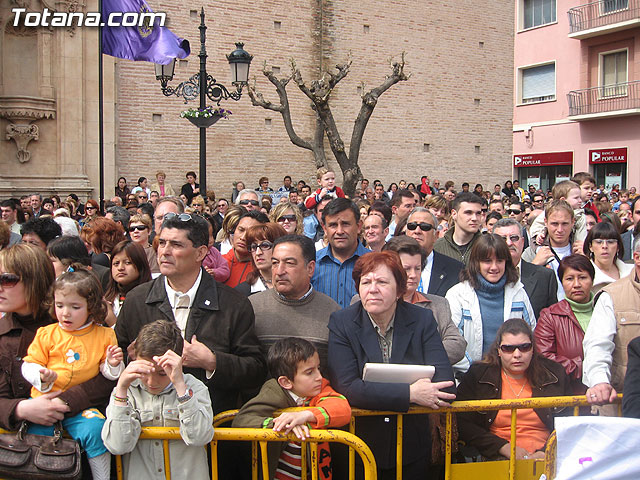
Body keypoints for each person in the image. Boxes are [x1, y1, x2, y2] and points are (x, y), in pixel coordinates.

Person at [115, 212, 266, 414]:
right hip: (149, 424)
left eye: (176, 245)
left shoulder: (234, 304)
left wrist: (212, 361)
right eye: (162, 243)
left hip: (211, 426)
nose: (165, 252)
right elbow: (118, 353)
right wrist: (130, 359)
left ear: (200, 253)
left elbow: (254, 370)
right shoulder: (137, 300)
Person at [327, 251, 455, 477]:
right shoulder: (342, 322)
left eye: (382, 282)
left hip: (410, 446)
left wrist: (376, 390)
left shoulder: (422, 320)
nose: (372, 289)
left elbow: (445, 385)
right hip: (357, 447)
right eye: (365, 282)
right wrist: (410, 393)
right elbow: (347, 387)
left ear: (399, 290)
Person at [20, 267, 123, 480]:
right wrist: (40, 376)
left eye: (75, 307)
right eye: (59, 305)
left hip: (82, 408)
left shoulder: (104, 335)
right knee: (38, 438)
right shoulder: (46, 333)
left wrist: (113, 364)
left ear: (91, 307)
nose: (65, 313)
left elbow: (110, 375)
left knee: (96, 430)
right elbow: (28, 364)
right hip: (44, 404)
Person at [102, 319, 214, 479]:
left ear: (179, 361)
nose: (151, 381)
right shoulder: (128, 391)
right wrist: (121, 389)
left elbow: (200, 436)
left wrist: (181, 387)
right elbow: (117, 445)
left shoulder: (194, 388)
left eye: (162, 373)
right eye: (144, 371)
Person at [233, 337, 351, 480]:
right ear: (285, 382)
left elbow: (341, 407)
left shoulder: (321, 389)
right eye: (309, 372)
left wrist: (305, 415)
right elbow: (243, 419)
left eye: (318, 368)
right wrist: (278, 424)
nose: (319, 377)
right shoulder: (274, 391)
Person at [456, 318, 571, 460]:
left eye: (524, 347)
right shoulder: (478, 374)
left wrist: (545, 451)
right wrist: (501, 447)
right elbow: (460, 420)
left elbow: (571, 421)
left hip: (549, 456)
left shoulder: (554, 373)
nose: (517, 354)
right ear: (498, 350)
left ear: (533, 349)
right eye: (508, 348)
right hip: (494, 457)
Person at [446, 234, 535, 373]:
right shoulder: (458, 294)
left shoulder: (518, 292)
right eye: (487, 261)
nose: (494, 267)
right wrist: (475, 371)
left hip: (512, 376)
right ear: (477, 262)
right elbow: (452, 340)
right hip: (469, 377)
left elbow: (531, 333)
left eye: (499, 260)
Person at [249, 235, 340, 370]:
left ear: (310, 268)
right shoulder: (252, 308)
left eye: (289, 263)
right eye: (275, 263)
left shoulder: (332, 312)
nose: (279, 271)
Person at [382, 236, 466, 364]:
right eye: (406, 269)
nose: (413, 275)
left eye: (417, 268)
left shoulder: (438, 305)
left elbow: (457, 345)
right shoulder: (371, 302)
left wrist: (414, 358)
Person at [583, 237, 640, 413]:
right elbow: (597, 345)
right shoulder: (612, 296)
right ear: (637, 257)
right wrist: (600, 381)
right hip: (624, 404)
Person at [534, 254, 595, 394]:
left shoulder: (605, 310)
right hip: (569, 394)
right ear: (561, 282)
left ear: (592, 280)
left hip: (607, 393)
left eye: (583, 277)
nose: (577, 284)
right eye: (569, 278)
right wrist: (583, 367)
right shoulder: (550, 316)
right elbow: (544, 357)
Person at [493, 218, 558, 319]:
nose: (509, 243)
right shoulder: (482, 276)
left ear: (523, 242)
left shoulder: (545, 277)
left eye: (514, 238)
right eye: (502, 239)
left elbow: (552, 320)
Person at [312, 198, 370, 308]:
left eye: (345, 224)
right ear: (324, 228)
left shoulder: (375, 263)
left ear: (359, 226)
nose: (339, 231)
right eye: (333, 225)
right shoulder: (312, 264)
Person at [522, 200, 578, 301]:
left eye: (565, 224)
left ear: (572, 222)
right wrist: (535, 265)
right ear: (546, 222)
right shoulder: (531, 253)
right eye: (554, 224)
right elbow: (520, 288)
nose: (560, 230)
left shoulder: (581, 251)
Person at [405, 207, 464, 297]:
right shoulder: (392, 264)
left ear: (436, 235)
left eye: (425, 227)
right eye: (412, 226)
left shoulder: (456, 270)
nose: (417, 231)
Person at [104, 240, 152, 326]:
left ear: (140, 265)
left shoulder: (149, 300)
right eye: (116, 263)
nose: (120, 268)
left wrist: (111, 320)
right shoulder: (108, 298)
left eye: (127, 262)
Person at [235, 222, 287, 296]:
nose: (258, 253)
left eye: (265, 245)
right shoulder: (242, 292)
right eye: (254, 247)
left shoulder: (297, 285)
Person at [434, 192, 484, 265]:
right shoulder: (437, 247)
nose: (474, 218)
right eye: (468, 213)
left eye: (478, 213)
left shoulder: (488, 246)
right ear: (454, 214)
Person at [223, 210, 270, 287]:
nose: (243, 237)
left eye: (250, 233)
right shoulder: (217, 263)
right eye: (241, 230)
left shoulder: (265, 269)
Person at [584, 221, 634, 293]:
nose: (604, 246)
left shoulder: (632, 271)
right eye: (599, 242)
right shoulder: (584, 275)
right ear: (590, 247)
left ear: (618, 247)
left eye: (610, 242)